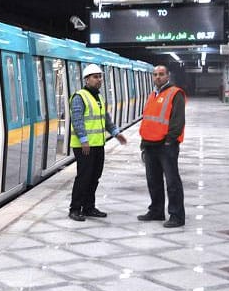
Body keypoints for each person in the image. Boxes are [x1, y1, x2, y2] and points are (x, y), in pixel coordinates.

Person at [68, 64, 127, 221]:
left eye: (100, 76)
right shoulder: (79, 97)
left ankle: (89, 207)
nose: (99, 80)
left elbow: (106, 119)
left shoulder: (99, 97)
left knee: (95, 177)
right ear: (87, 80)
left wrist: (116, 133)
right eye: (95, 77)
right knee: (84, 177)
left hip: (98, 144)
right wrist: (83, 140)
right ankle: (74, 209)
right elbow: (77, 120)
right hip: (84, 146)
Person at [138, 64, 186, 228]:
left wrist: (169, 141)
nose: (157, 77)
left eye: (161, 74)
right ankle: (156, 211)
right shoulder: (152, 95)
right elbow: (148, 120)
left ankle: (177, 215)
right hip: (150, 145)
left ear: (168, 76)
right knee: (153, 181)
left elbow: (178, 121)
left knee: (172, 182)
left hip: (166, 146)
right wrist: (143, 143)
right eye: (155, 74)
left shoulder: (175, 94)